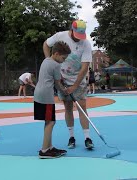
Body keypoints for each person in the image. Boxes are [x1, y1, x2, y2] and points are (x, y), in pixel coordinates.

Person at [43, 19, 94, 149]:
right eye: (76, 36)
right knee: (68, 107)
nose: (78, 39)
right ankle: (71, 137)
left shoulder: (86, 44)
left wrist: (75, 86)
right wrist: (50, 62)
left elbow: (84, 67)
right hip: (62, 78)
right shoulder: (60, 36)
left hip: (78, 79)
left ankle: (87, 138)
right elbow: (46, 44)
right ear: (72, 30)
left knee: (82, 106)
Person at [34, 41, 71, 159]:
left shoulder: (46, 60)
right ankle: (44, 150)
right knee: (51, 122)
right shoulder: (56, 65)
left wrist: (60, 82)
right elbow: (58, 83)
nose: (63, 60)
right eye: (63, 58)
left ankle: (49, 147)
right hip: (46, 95)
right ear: (56, 53)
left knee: (48, 121)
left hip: (38, 93)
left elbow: (55, 79)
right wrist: (65, 90)